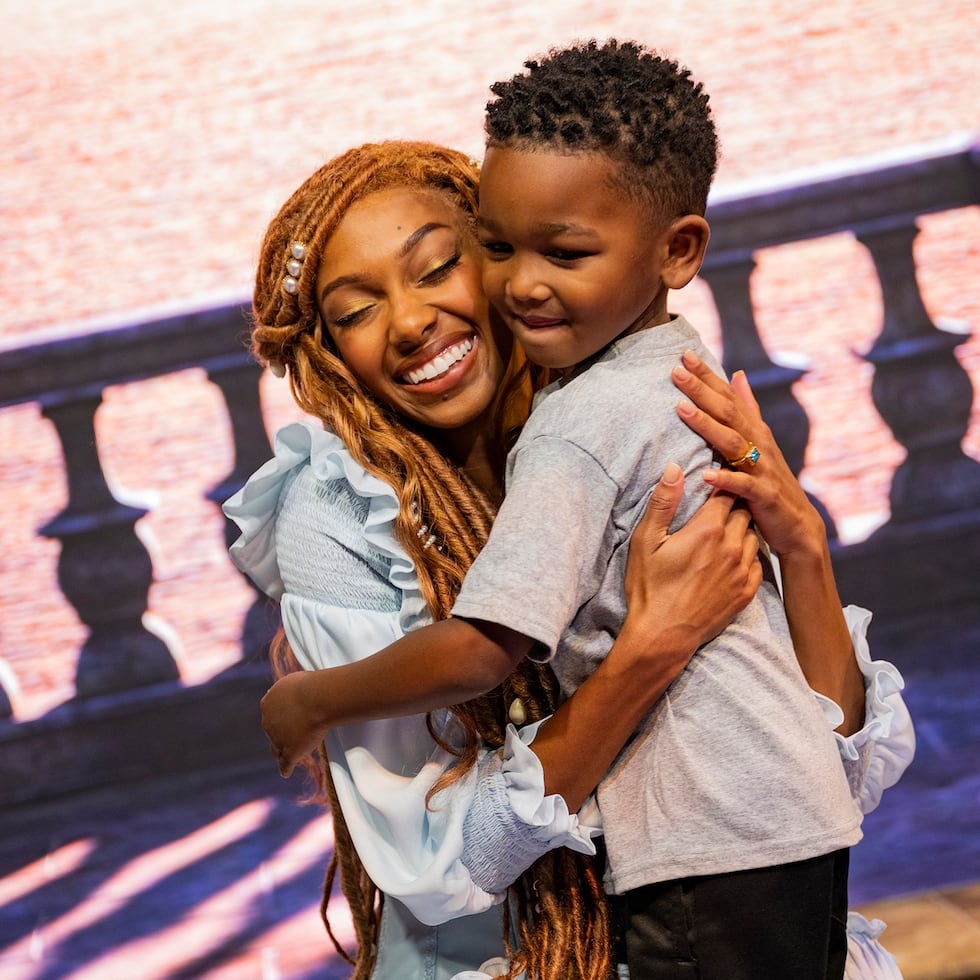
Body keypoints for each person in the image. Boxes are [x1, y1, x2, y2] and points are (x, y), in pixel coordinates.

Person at [255, 43, 911, 980]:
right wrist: (647, 651)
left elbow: (827, 760)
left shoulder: (617, 420)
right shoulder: (333, 518)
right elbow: (443, 871)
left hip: (714, 884)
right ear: (324, 350)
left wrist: (801, 542)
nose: (410, 322)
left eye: (444, 263)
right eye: (356, 310)